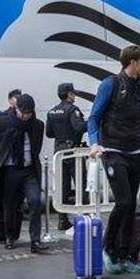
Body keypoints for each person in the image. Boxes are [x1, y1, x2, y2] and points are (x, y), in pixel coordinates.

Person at [87, 45, 140, 275]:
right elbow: (94, 117)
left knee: (131, 205)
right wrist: (94, 143)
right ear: (133, 62)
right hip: (113, 151)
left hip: (136, 152)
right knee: (124, 202)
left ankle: (126, 255)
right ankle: (109, 249)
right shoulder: (111, 84)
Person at [0, 94, 47, 252]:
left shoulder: (38, 125)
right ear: (16, 109)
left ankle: (35, 240)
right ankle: (9, 236)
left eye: (29, 113)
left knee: (35, 201)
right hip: (10, 170)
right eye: (23, 112)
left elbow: (37, 148)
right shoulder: (4, 122)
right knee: (10, 205)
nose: (25, 116)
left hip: (28, 170)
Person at [46, 82, 87, 230]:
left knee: (62, 186)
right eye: (73, 93)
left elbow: (49, 133)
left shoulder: (52, 112)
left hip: (59, 152)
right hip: (73, 151)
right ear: (69, 94)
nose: (74, 95)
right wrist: (89, 122)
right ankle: (84, 217)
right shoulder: (72, 110)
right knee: (81, 184)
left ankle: (62, 220)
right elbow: (79, 127)